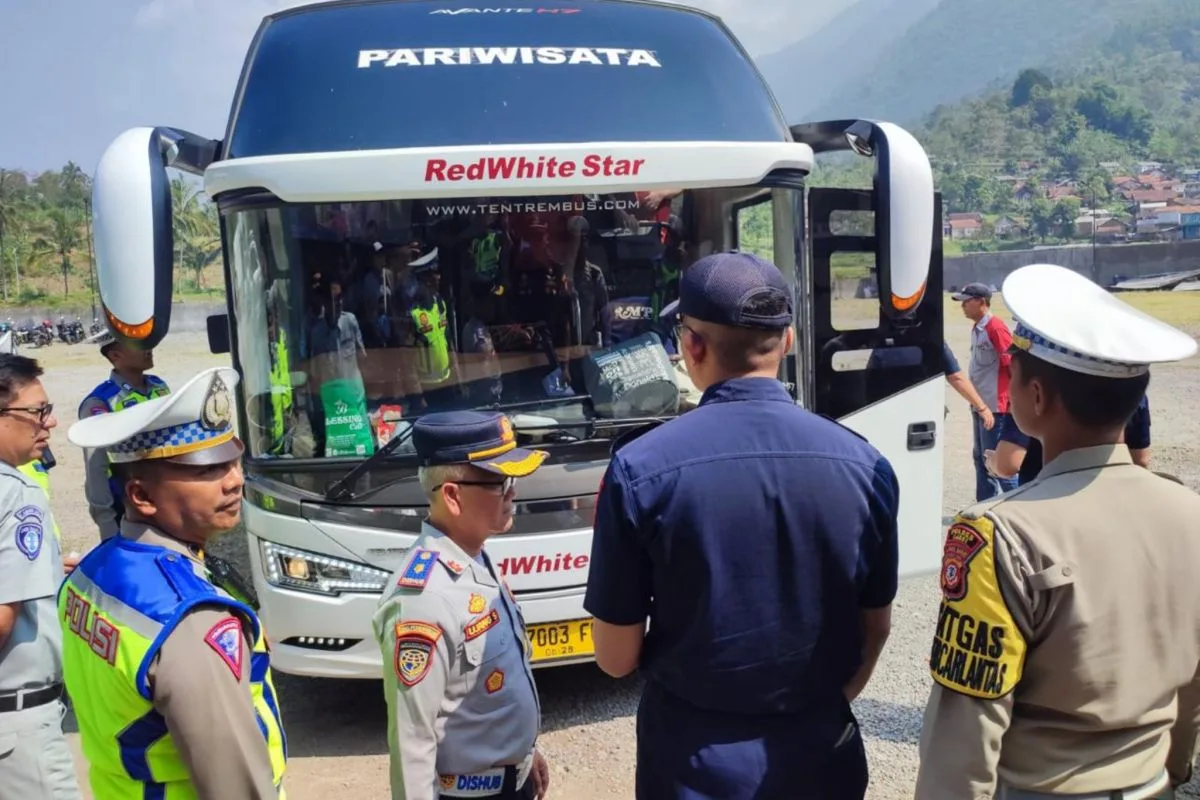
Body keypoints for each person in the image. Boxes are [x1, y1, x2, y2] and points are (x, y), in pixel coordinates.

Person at [585, 251, 899, 799]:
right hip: (821, 755)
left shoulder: (640, 469)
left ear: (692, 347)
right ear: (790, 340)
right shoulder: (865, 465)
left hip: (694, 765)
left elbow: (615, 659)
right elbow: (876, 627)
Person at [915, 263, 1200, 800]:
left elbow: (968, 722)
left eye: (1015, 372)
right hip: (1151, 783)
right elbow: (1191, 691)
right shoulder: (1189, 512)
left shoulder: (998, 533)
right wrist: (1174, 771)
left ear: (1037, 397)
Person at [61, 367, 287, 799]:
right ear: (142, 496)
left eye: (233, 461)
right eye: (208, 470)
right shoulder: (189, 618)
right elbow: (234, 786)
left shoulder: (91, 571)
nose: (235, 480)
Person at [372, 410, 550, 800]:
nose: (512, 493)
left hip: (510, 783)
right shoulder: (421, 600)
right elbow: (412, 744)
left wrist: (524, 754)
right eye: (500, 482)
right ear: (452, 496)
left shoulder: (474, 557)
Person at [0, 355, 80, 800]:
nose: (49, 423)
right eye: (37, 411)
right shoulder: (17, 492)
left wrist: (46, 569)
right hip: (18, 725)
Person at [77, 329, 170, 540]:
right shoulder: (101, 402)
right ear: (115, 356)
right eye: (139, 345)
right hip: (127, 503)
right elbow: (96, 468)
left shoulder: (159, 387)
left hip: (165, 496)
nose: (149, 349)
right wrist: (106, 522)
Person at [986, 392, 1152, 483]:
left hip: (1041, 501)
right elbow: (1141, 460)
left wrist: (992, 462)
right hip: (1107, 497)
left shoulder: (1033, 391)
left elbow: (1007, 465)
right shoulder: (1133, 393)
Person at [952, 282, 1017, 500]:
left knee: (996, 463)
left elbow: (1013, 364)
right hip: (980, 404)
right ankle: (985, 504)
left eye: (966, 302)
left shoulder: (995, 327)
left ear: (981, 302)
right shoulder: (978, 327)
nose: (963, 307)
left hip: (995, 407)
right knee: (980, 458)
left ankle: (1016, 505)